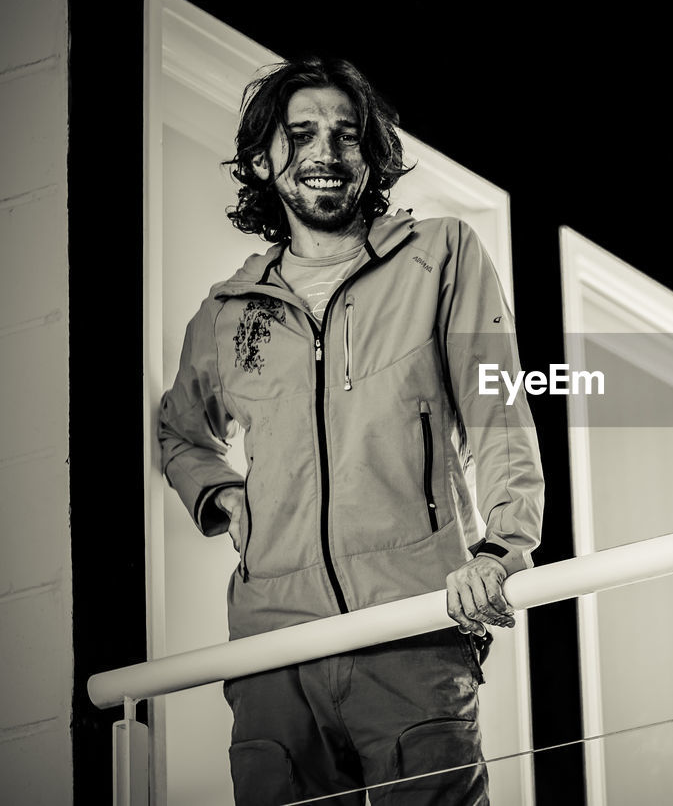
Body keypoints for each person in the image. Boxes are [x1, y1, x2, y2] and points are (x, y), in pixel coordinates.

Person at [157, 55, 545, 805]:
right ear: (267, 159)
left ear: (372, 156)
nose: (325, 154)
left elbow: (499, 413)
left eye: (346, 134)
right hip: (275, 653)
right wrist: (225, 497)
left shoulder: (442, 255)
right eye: (301, 134)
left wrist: (501, 548)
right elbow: (179, 433)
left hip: (414, 628)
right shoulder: (229, 310)